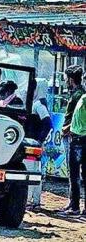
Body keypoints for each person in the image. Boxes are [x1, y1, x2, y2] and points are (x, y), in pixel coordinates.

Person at [61, 65, 85, 215]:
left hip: (76, 137)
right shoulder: (77, 94)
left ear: (70, 79)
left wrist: (68, 129)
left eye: (66, 78)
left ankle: (74, 205)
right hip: (74, 135)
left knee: (75, 173)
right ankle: (73, 204)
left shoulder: (79, 95)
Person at [26, 79, 52, 210]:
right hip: (34, 143)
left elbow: (48, 123)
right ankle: (34, 200)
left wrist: (39, 140)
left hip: (33, 144)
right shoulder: (38, 103)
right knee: (35, 171)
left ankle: (30, 201)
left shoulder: (38, 105)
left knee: (31, 171)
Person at [68, 92, 86, 217]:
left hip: (79, 140)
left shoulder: (84, 98)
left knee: (75, 176)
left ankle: (75, 207)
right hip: (79, 137)